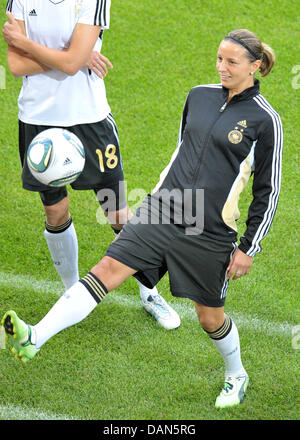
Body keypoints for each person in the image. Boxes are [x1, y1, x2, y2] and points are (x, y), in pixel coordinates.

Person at [2, 28, 283, 409]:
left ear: (254, 66)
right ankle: (34, 337)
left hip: (209, 228)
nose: (222, 67)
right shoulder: (199, 96)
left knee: (209, 317)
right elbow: (183, 151)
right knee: (106, 269)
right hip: (161, 208)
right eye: (219, 58)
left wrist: (248, 247)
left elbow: (268, 190)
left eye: (232, 62)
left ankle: (236, 373)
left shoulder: (266, 121)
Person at [2, 0, 180, 330]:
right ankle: (72, 294)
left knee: (117, 212)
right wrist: (76, 56)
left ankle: (149, 291)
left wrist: (34, 47)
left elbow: (68, 64)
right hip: (38, 122)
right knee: (55, 211)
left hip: (90, 120)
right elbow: (15, 65)